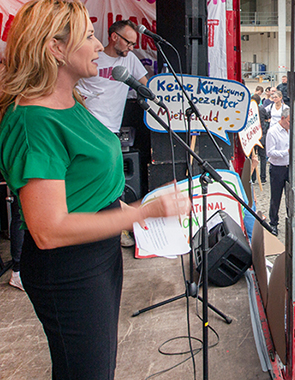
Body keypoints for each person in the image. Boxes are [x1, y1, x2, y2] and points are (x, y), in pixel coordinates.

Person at [0, 1, 190, 377]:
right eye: (89, 36)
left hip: (97, 257)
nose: (99, 45)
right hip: (69, 270)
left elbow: (87, 183)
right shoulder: (34, 122)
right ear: (55, 47)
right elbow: (48, 229)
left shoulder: (71, 99)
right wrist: (141, 214)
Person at [75, 19, 148, 248]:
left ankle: (115, 228)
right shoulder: (92, 58)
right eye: (128, 42)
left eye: (135, 44)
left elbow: (147, 86)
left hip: (112, 131)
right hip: (87, 128)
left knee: (113, 183)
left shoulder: (131, 61)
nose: (131, 47)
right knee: (90, 182)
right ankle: (90, 230)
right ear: (114, 37)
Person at [266, 108, 292, 236]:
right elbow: (269, 152)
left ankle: (291, 220)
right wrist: (285, 152)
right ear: (282, 118)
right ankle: (273, 223)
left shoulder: (291, 130)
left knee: (291, 195)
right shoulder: (273, 132)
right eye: (288, 121)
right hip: (277, 168)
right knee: (276, 197)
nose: (290, 124)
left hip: (290, 167)